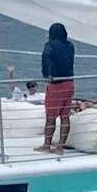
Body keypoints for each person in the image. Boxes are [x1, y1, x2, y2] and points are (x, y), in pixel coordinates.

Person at [38, 22, 76, 153]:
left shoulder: (49, 46)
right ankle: (60, 146)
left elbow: (46, 61)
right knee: (65, 116)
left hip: (56, 85)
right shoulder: (70, 46)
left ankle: (46, 144)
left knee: (51, 116)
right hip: (69, 83)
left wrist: (48, 75)